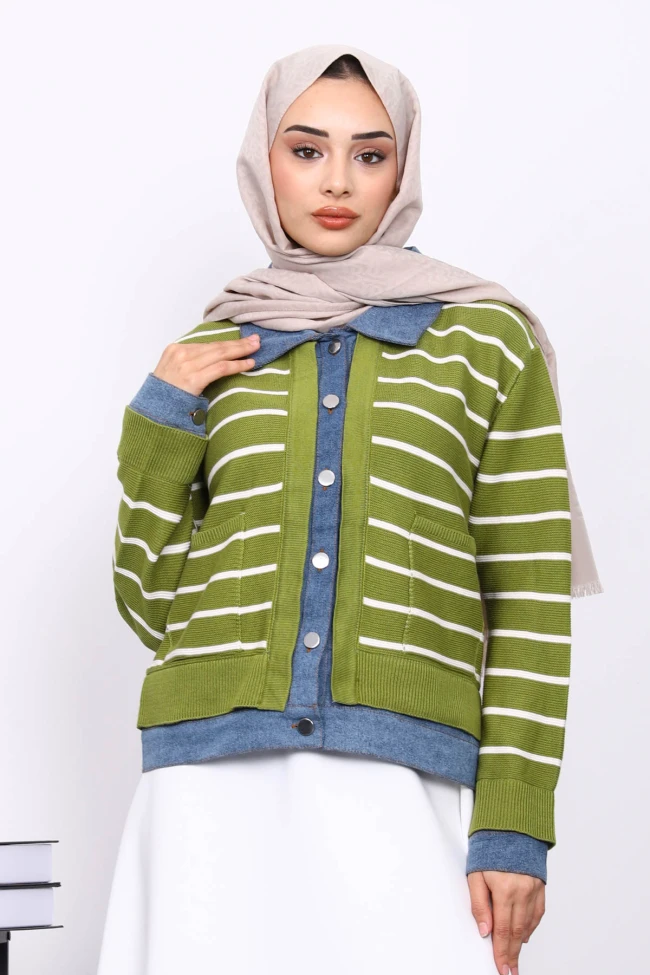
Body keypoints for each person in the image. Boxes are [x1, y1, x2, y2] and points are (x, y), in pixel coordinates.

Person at [97, 44, 602, 975]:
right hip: (205, 799)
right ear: (264, 161)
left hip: (401, 791)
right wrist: (159, 420)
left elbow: (529, 600)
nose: (337, 181)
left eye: (370, 154)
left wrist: (515, 824)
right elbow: (155, 608)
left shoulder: (487, 340)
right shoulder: (216, 347)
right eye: (306, 150)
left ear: (402, 170)